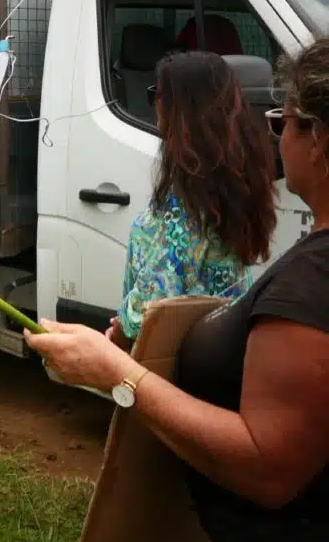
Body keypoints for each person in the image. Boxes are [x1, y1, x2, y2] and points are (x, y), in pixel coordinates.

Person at [26, 40, 329, 542]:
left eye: (291, 122)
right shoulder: (244, 188)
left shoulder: (183, 217)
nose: (278, 134)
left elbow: (151, 308)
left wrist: (118, 364)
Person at [110, 51, 276, 350]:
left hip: (180, 354)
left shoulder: (189, 199)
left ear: (179, 106)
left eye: (156, 94)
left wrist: (118, 334)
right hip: (219, 342)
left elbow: (156, 292)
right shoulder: (234, 176)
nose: (154, 105)